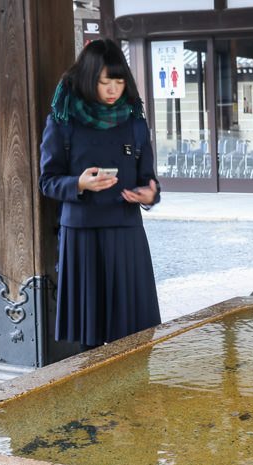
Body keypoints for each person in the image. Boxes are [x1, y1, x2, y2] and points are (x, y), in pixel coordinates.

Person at [39, 38, 162, 349]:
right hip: (82, 234)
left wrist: (149, 195)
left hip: (126, 230)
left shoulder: (134, 121)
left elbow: (148, 179)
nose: (112, 90)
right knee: (89, 335)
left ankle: (135, 392)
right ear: (88, 79)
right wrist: (79, 184)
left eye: (119, 81)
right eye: (104, 82)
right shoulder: (64, 120)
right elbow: (47, 181)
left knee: (135, 333)